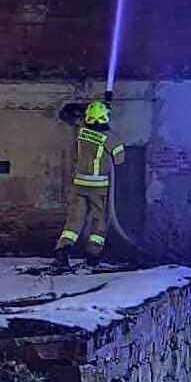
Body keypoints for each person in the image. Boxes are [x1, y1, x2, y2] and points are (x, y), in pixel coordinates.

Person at [56, 99, 125, 268]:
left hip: (79, 184)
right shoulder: (111, 139)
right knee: (99, 220)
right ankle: (93, 256)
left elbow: (74, 116)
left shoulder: (82, 132)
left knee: (74, 221)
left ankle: (62, 252)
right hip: (98, 188)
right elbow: (120, 160)